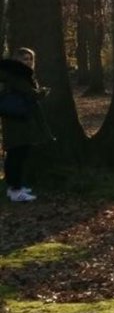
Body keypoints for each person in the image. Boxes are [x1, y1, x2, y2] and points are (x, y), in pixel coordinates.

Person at [0, 46, 52, 202]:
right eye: (24, 59)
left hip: (17, 118)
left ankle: (14, 187)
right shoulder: (17, 74)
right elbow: (30, 93)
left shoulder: (17, 73)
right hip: (17, 120)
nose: (28, 62)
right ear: (17, 60)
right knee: (16, 154)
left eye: (30, 59)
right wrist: (42, 92)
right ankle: (15, 190)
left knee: (18, 153)